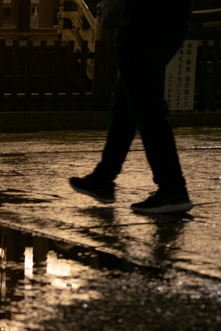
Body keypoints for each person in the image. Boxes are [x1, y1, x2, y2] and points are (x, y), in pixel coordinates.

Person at [69, 0, 193, 214]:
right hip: (169, 21)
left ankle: (172, 188)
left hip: (142, 23)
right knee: (125, 105)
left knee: (147, 108)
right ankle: (103, 178)